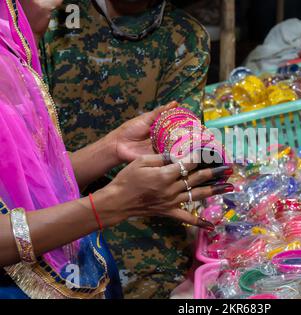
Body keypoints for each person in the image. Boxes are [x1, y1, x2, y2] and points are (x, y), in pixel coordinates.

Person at [0, 0, 232, 299]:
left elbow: (33, 179)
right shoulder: (53, 26)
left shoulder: (13, 50)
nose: (58, 2)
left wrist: (112, 148)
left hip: (91, 249)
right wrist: (109, 204)